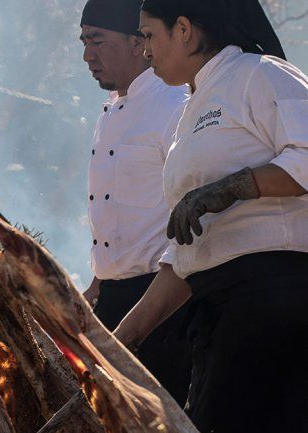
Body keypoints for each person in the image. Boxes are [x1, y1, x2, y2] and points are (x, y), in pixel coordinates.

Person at [115, 1, 308, 431]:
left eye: (148, 35)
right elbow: (190, 249)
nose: (144, 51)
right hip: (218, 314)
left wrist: (231, 188)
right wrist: (122, 340)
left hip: (278, 302)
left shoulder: (260, 74)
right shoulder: (190, 111)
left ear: (183, 28)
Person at [78, 0, 191, 405]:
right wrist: (97, 284)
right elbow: (115, 211)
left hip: (164, 303)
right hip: (112, 298)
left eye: (97, 40)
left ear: (135, 42)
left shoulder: (174, 106)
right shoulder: (109, 111)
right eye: (83, 42)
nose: (88, 54)